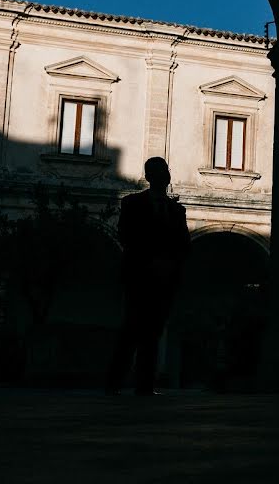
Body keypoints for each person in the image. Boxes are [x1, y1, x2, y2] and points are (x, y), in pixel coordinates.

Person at [106, 157, 191, 395]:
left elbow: (184, 243)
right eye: (160, 170)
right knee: (131, 329)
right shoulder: (132, 203)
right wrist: (150, 261)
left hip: (165, 278)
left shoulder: (177, 209)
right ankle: (114, 382)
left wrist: (172, 265)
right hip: (139, 275)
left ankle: (145, 385)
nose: (165, 174)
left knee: (153, 331)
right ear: (149, 175)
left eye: (166, 170)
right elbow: (125, 235)